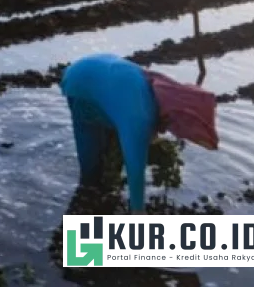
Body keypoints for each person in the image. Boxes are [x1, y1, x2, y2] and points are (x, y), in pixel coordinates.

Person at [60, 53, 219, 217]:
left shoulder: (162, 91)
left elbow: (145, 113)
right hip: (80, 83)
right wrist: (138, 211)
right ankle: (74, 232)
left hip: (101, 71)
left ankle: (88, 208)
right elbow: (134, 167)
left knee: (108, 148)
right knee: (91, 166)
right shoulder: (138, 117)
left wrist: (149, 134)